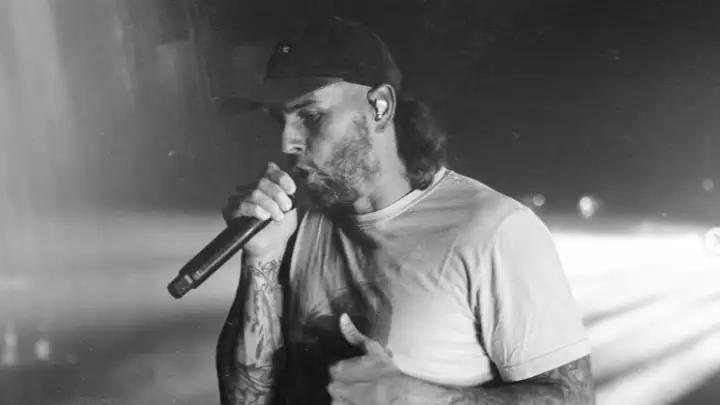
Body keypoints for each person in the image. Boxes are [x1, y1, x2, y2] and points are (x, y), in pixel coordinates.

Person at [216, 15, 595, 405]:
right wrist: (259, 259)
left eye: (310, 116)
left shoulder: (495, 229)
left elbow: (574, 398)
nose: (287, 142)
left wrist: (420, 398)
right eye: (278, 119)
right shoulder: (293, 229)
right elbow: (243, 400)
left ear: (380, 106)